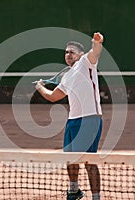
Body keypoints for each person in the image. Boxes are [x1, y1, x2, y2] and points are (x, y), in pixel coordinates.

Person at [35, 32, 104, 200]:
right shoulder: (66, 77)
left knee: (89, 160)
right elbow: (53, 96)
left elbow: (95, 51)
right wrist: (39, 87)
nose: (68, 55)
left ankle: (96, 197)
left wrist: (97, 42)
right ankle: (74, 191)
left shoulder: (86, 62)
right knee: (69, 158)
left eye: (71, 52)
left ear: (80, 54)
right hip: (72, 121)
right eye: (66, 52)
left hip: (91, 119)